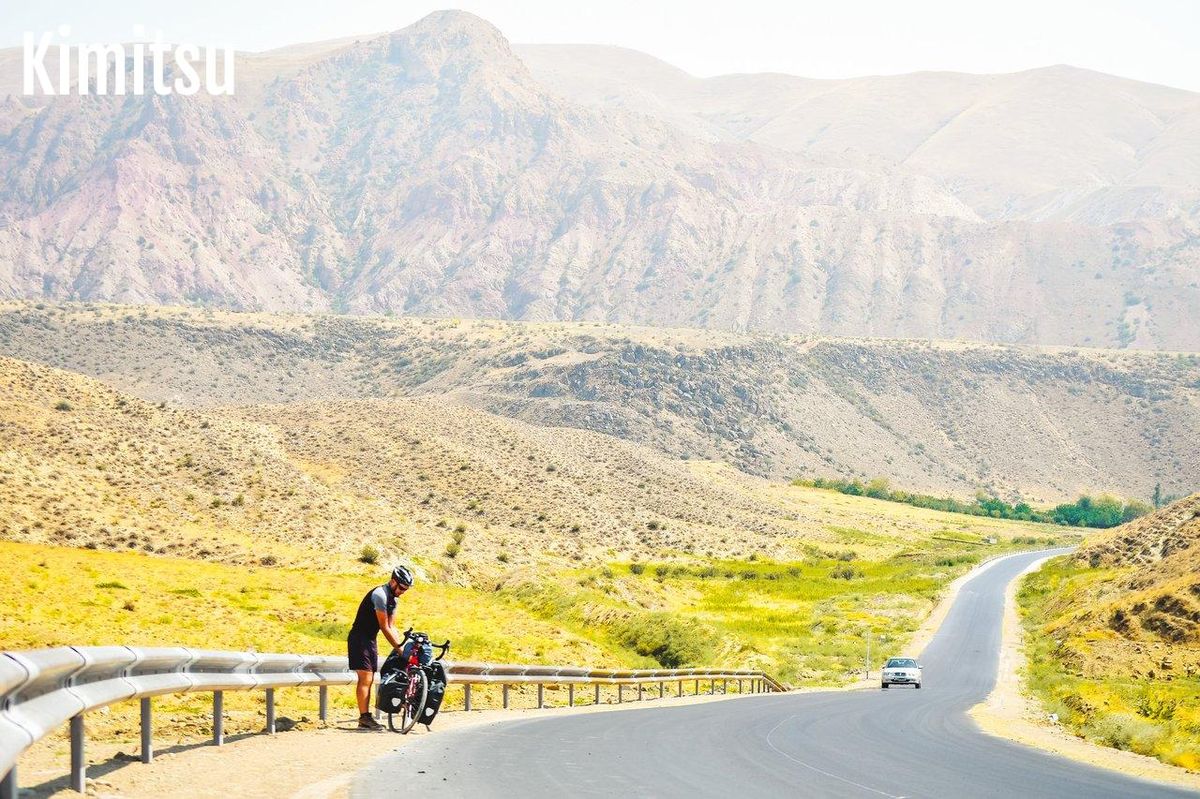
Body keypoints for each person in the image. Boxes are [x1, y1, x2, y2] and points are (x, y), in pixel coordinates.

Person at [348, 565, 413, 730]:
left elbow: (392, 626)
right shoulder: (380, 595)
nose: (403, 592)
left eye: (406, 589)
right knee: (366, 678)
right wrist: (399, 649)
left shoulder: (394, 600)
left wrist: (402, 647)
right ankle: (364, 718)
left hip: (370, 639)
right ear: (393, 581)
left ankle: (365, 717)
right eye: (402, 588)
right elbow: (384, 627)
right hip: (359, 638)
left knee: (370, 678)